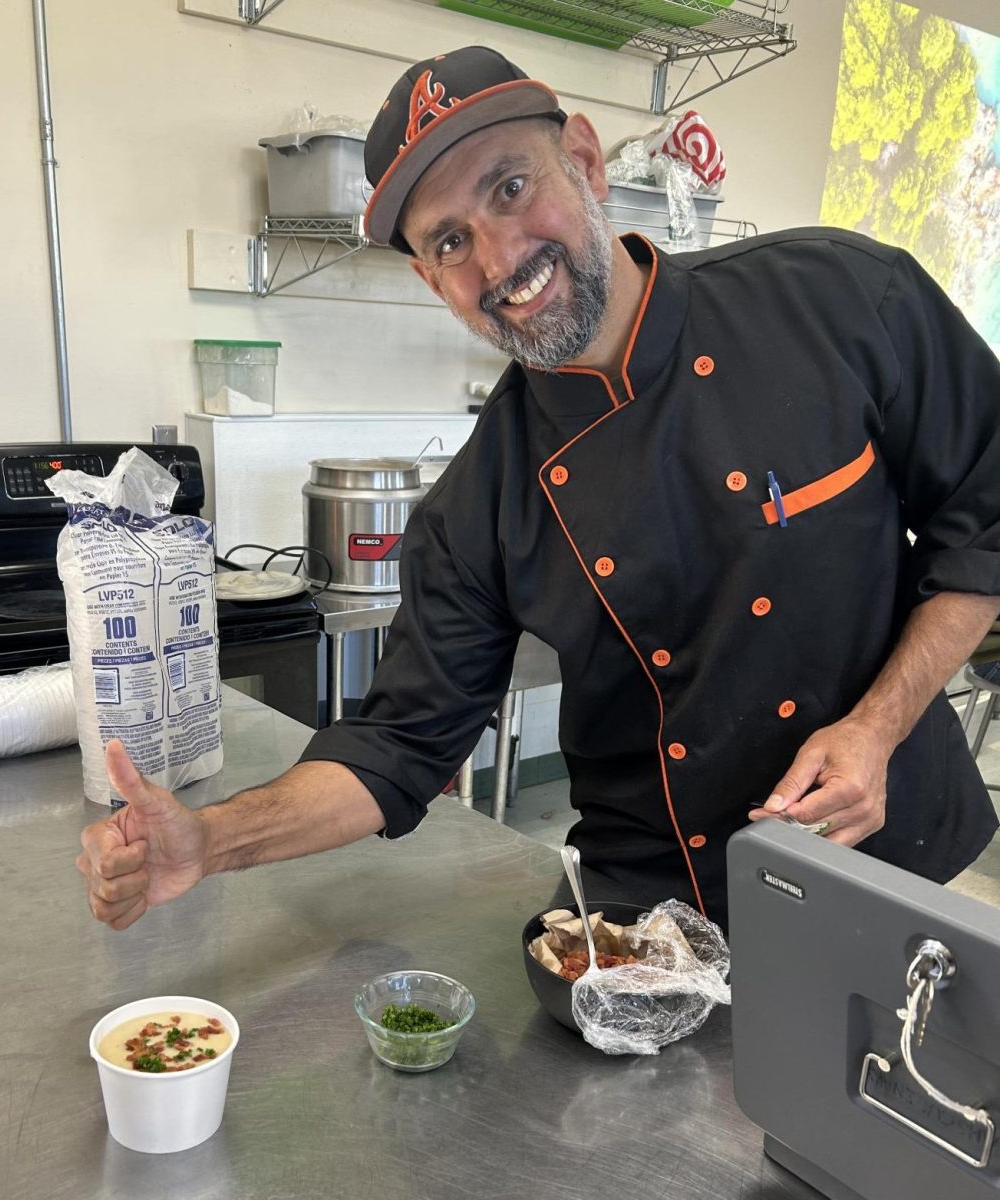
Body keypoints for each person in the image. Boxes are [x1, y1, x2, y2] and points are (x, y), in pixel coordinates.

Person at [78, 46, 1000, 933]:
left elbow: (984, 512)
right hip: (656, 917)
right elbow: (397, 747)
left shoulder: (839, 299)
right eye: (449, 241)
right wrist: (206, 840)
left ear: (586, 161)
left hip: (892, 860)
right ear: (431, 280)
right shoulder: (478, 503)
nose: (499, 258)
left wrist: (877, 728)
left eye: (510, 187)